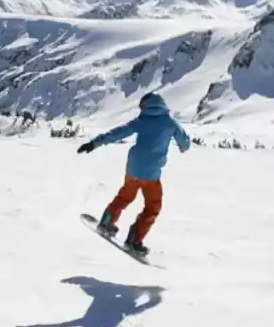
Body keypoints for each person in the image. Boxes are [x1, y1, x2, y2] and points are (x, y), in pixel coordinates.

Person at [77, 92, 191, 256]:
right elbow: (185, 144)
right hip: (151, 173)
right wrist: (182, 145)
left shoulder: (141, 121)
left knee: (125, 196)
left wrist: (94, 143)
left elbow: (118, 132)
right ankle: (134, 240)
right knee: (152, 207)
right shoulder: (170, 123)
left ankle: (106, 222)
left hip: (133, 168)